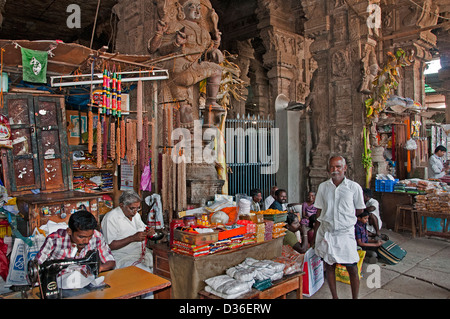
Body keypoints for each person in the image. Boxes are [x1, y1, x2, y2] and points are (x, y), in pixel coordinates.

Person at [312, 155, 366, 299]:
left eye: (338, 167)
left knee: (352, 267)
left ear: (345, 168)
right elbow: (319, 211)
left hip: (345, 233)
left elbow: (359, 210)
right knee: (329, 266)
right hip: (327, 232)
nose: (335, 170)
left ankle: (355, 297)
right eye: (332, 167)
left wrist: (344, 217)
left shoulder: (354, 187)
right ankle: (334, 297)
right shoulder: (323, 187)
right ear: (328, 168)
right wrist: (315, 234)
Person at [35, 210, 115, 273]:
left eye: (89, 236)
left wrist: (100, 268)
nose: (87, 241)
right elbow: (37, 266)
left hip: (85, 280)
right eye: (81, 237)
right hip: (59, 281)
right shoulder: (54, 240)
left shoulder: (97, 237)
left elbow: (110, 261)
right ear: (69, 231)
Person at [101, 190, 155, 272]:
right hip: (123, 257)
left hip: (141, 254)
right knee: (145, 272)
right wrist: (132, 238)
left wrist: (148, 232)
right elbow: (110, 245)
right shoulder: (111, 218)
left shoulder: (135, 215)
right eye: (132, 208)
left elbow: (143, 228)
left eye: (138, 208)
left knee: (162, 266)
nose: (135, 211)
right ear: (122, 205)